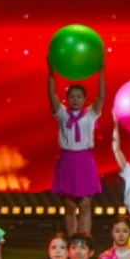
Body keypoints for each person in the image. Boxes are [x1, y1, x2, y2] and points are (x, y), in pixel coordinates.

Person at [48, 66, 106, 237]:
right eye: (72, 96)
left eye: (79, 96)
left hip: (85, 160)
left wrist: (101, 72)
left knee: (86, 204)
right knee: (69, 205)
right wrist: (51, 72)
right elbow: (51, 94)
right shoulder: (62, 114)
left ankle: (84, 241)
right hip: (67, 160)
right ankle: (72, 241)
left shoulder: (90, 114)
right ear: (67, 99)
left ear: (85, 99)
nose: (75, 99)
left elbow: (101, 96)